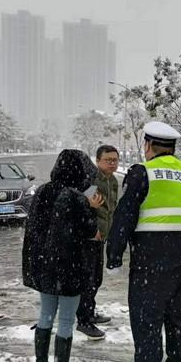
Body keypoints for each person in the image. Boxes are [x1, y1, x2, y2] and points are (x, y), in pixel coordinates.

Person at [106, 122, 181, 362]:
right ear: (173, 149)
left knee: (147, 325)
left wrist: (114, 255)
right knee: (179, 322)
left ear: (148, 146)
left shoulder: (141, 173)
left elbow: (124, 217)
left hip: (150, 265)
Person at [22, 149, 104, 362]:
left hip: (43, 266)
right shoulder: (77, 197)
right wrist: (92, 207)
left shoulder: (42, 191)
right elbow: (94, 233)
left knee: (46, 315)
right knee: (66, 320)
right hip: (68, 268)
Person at [76, 145, 120, 340]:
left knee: (96, 279)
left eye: (115, 160)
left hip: (102, 238)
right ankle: (83, 320)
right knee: (87, 279)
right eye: (108, 160)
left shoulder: (113, 181)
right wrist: (92, 230)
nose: (112, 163)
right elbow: (83, 207)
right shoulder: (92, 180)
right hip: (89, 238)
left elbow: (112, 209)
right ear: (98, 161)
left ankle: (90, 312)